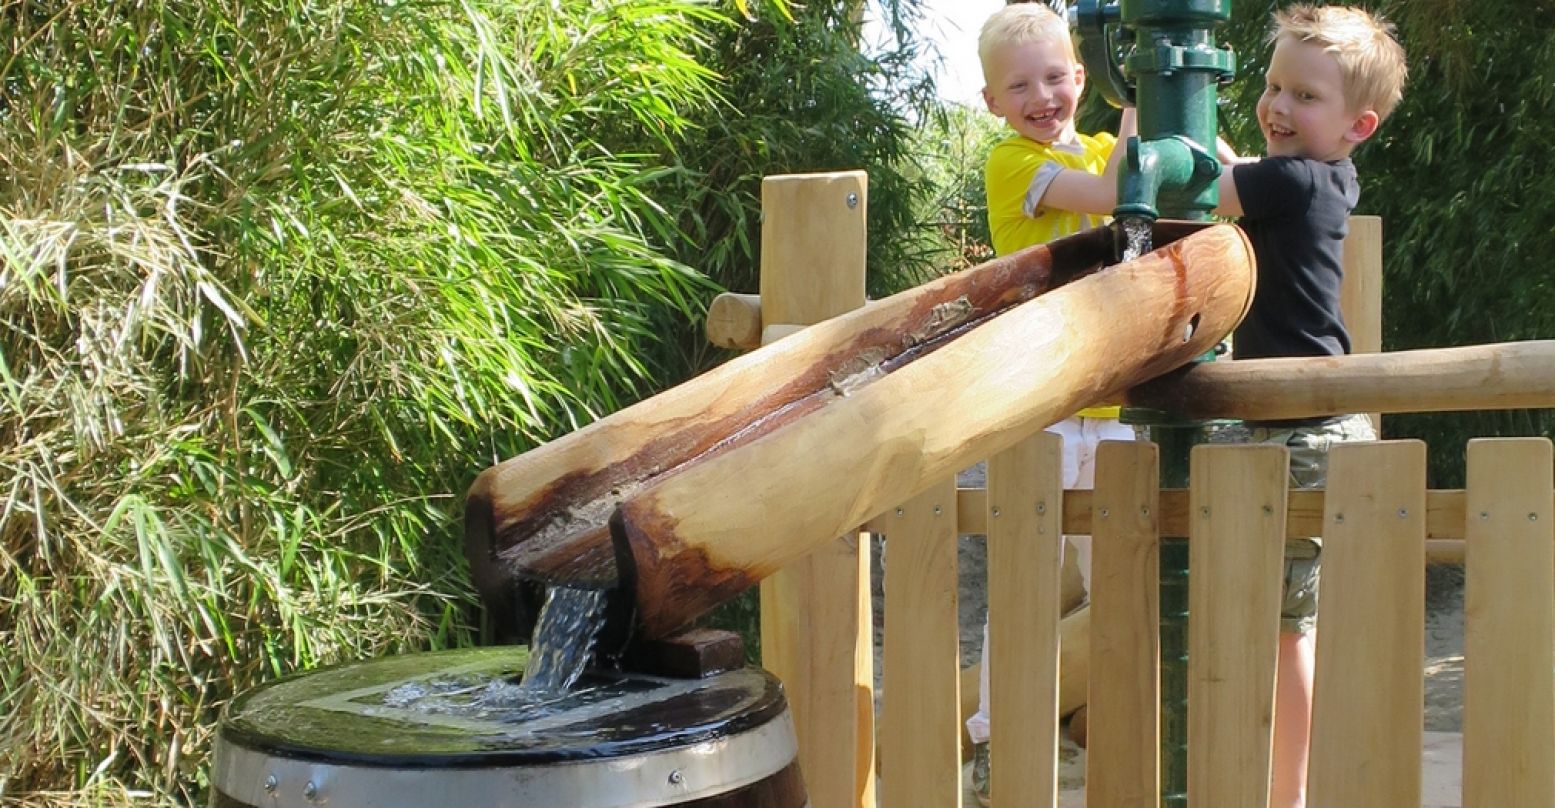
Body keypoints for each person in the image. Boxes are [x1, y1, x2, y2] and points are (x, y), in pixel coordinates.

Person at [1213, 6, 1407, 807]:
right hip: (1304, 421)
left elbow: (1199, 185)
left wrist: (1126, 127)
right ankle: (1281, 779)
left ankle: (1284, 794)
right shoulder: (1321, 178)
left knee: (1284, 629)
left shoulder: (1288, 182)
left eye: (1303, 96)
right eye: (1270, 86)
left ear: (1356, 123)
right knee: (1290, 621)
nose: (1276, 106)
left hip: (1298, 428)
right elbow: (1235, 179)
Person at [966, 4, 1138, 804]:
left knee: (1123, 570)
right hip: (1042, 400)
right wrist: (1143, 96)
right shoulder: (1010, 160)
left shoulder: (1107, 143)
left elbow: (1211, 181)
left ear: (1079, 77)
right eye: (1018, 84)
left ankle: (1119, 708)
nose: (1041, 95)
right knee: (1027, 572)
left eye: (1054, 75)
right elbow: (1108, 190)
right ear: (991, 101)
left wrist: (1195, 129)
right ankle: (1000, 720)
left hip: (1106, 399)